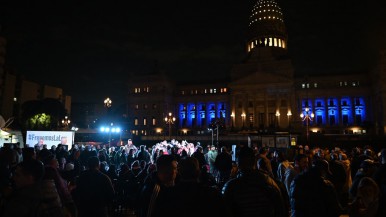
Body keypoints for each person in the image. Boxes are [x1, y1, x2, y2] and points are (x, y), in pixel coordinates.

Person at [222, 147, 287, 217]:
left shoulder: (230, 186)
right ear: (254, 162)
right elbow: (280, 209)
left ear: (238, 163)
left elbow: (225, 211)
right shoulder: (269, 182)